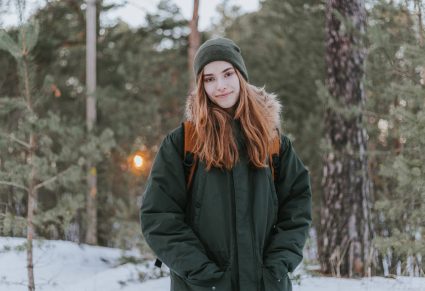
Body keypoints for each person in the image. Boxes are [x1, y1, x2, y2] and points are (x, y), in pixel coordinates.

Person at [140, 37, 312, 291]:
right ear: (201, 85)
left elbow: (297, 208)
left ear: (240, 75)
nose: (220, 85)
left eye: (227, 74)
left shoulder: (273, 142)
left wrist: (277, 265)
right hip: (201, 286)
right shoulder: (183, 143)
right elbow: (159, 217)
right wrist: (202, 274)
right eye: (209, 78)